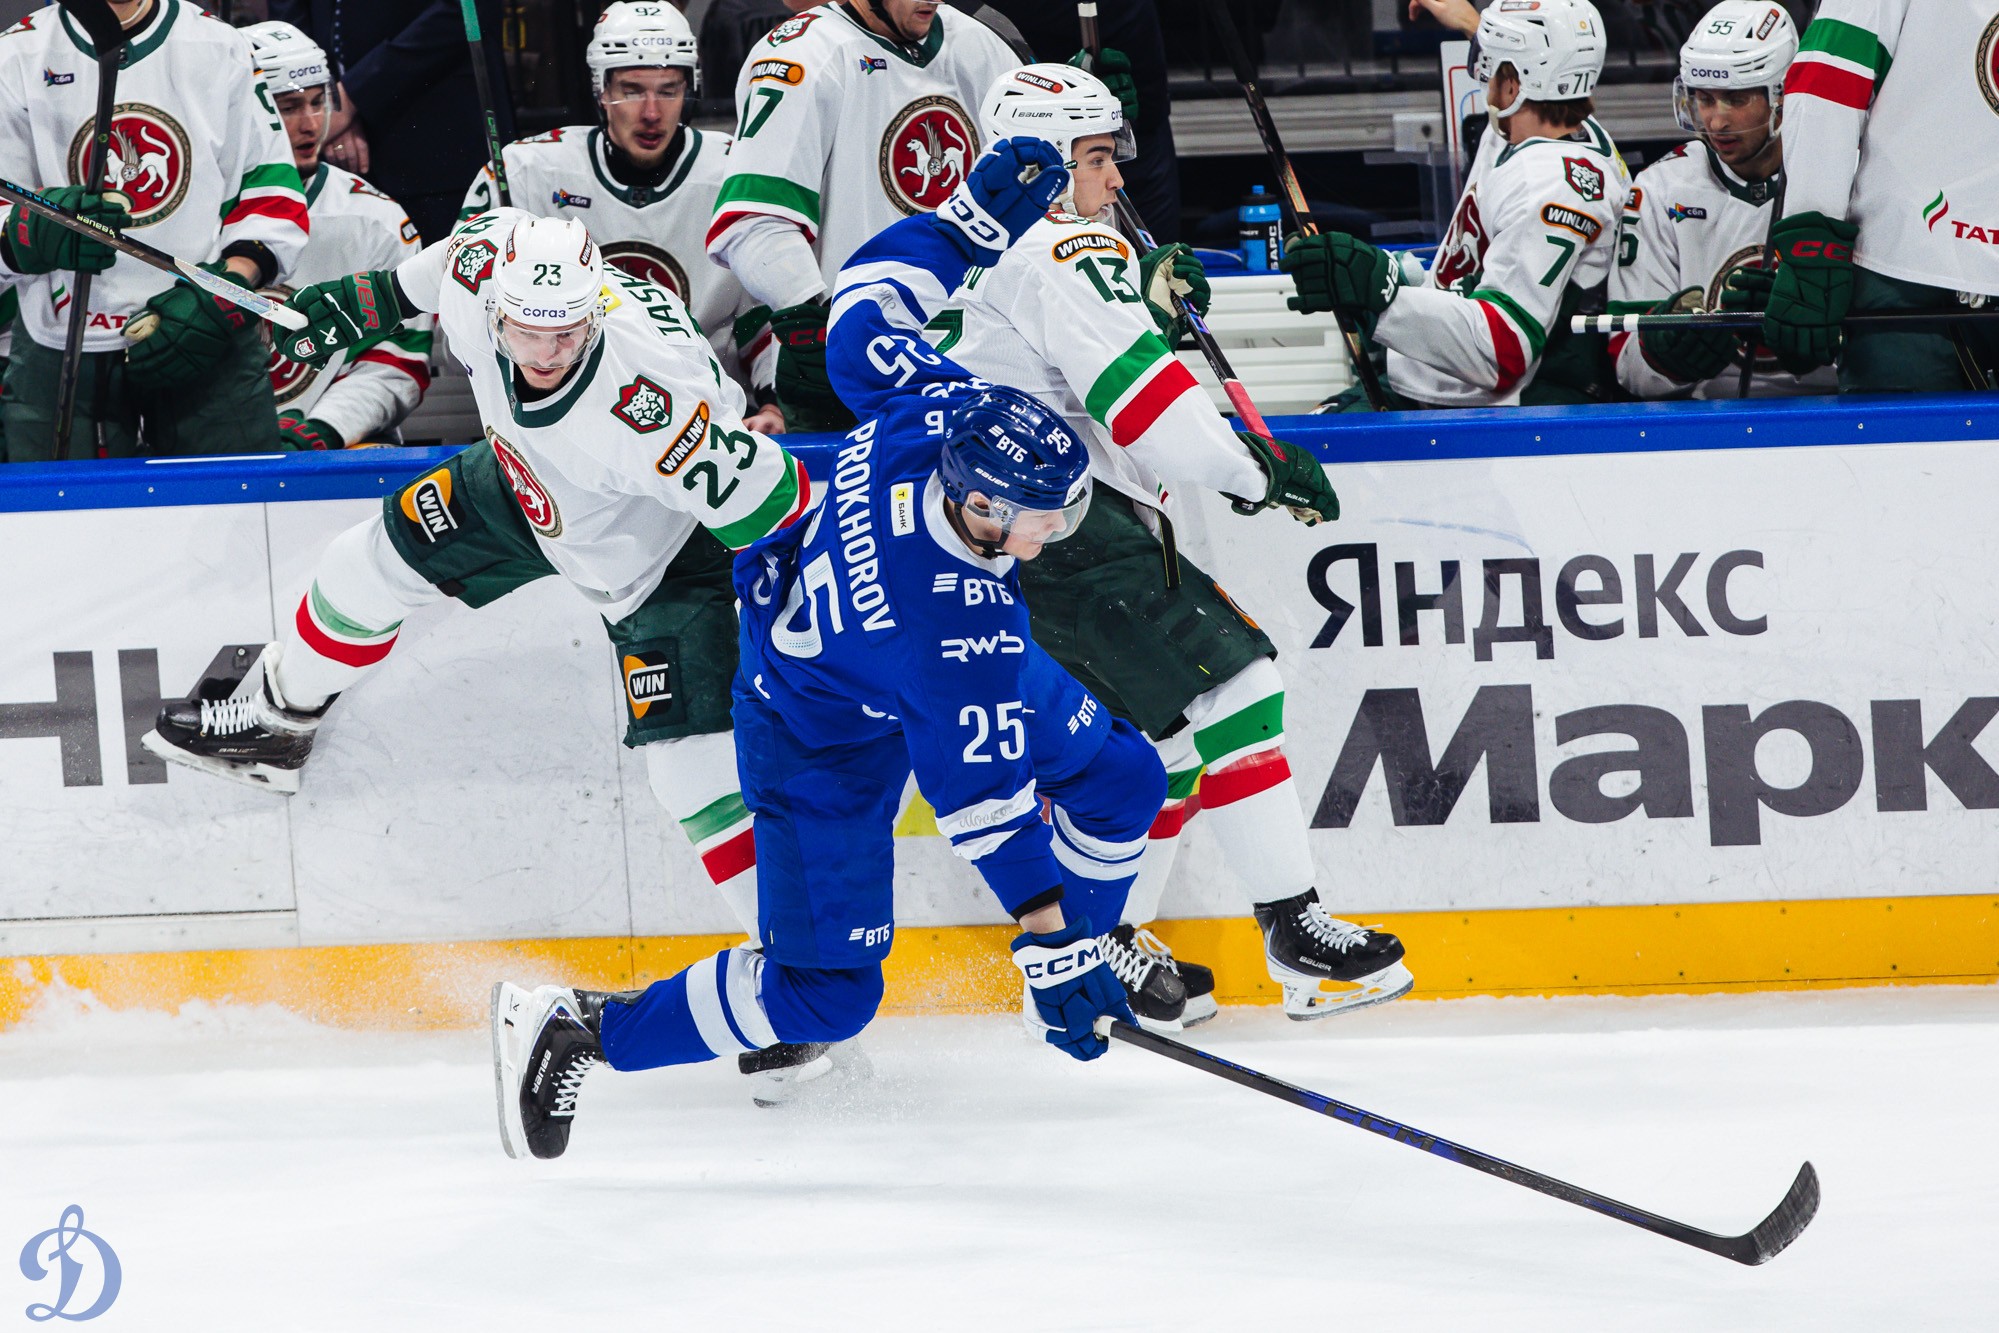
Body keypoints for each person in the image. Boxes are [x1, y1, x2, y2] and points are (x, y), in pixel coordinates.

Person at [140, 209, 818, 1086]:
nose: (546, 353)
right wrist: (345, 307)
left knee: (690, 775)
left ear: (595, 311)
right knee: (364, 563)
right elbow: (405, 284)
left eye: (567, 332)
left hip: (664, 557)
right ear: (495, 300)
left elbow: (777, 502)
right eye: (528, 330)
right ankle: (277, 720)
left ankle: (796, 998)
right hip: (527, 478)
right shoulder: (481, 258)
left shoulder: (648, 406)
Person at [831, 79, 1411, 1028]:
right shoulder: (1064, 243)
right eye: (1096, 159)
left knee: (1161, 738)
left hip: (985, 521)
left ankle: (1109, 944)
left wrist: (1140, 299)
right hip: (1062, 518)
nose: (1115, 180)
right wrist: (1256, 470)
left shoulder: (966, 239)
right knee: (1236, 687)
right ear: (1046, 167)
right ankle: (1295, 933)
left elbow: (1039, 348)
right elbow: (1142, 406)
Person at [490, 379, 1166, 1161]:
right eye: (1042, 515)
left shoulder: (930, 416)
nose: (1055, 529)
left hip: (875, 655)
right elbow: (986, 808)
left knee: (1122, 778)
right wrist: (1050, 945)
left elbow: (857, 332)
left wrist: (1066, 947)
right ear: (979, 502)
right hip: (815, 730)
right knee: (825, 996)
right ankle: (578, 1027)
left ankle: (1085, 951)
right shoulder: (956, 632)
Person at [0, 0, 308, 461]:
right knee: (60, 507)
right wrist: (26, 234)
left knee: (236, 500)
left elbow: (271, 192)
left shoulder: (219, 45)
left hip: (204, 332)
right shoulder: (15, 55)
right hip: (61, 342)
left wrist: (227, 290)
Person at [1284, 0, 1627, 410]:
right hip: (1432, 381)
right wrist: (1470, 22)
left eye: (1488, 67)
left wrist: (1382, 292)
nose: (1481, 79)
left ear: (1513, 85)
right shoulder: (1559, 133)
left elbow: (1503, 350)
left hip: (1479, 408)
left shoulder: (1548, 183)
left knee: (1292, 449)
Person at [460, 2, 779, 428]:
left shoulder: (733, 174)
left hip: (707, 420)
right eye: (631, 90)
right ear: (601, 90)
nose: (652, 112)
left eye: (669, 90)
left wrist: (775, 403)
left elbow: (766, 313)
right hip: (562, 418)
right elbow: (464, 304)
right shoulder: (525, 173)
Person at [705, 0, 1019, 430]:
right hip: (854, 365)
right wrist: (813, 316)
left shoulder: (980, 45)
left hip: (980, 362)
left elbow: (1040, 186)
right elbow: (754, 221)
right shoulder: (802, 54)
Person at [1759, 0, 1999, 392]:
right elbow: (1831, 79)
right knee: (1899, 430)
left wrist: (1812, 245)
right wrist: (1812, 244)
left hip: (1905, 272)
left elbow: (1828, 82)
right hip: (1906, 277)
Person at [1609, 2, 1835, 399]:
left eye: (1736, 99)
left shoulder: (1842, 176)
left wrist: (1823, 342)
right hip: (1709, 419)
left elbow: (1886, 348)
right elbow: (1627, 363)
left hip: (1833, 413)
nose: (1716, 121)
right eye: (1705, 98)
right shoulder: (1661, 189)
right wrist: (1666, 356)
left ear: (1783, 95)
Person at [245, 20, 432, 450]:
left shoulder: (375, 219)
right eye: (289, 107)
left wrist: (324, 430)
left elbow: (395, 358)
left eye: (318, 101)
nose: (312, 123)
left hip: (337, 450)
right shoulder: (197, 215)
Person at [267, 0, 512, 246]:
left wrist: (352, 96)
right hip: (333, 142)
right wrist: (323, 103)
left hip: (436, 142)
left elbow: (468, 9)